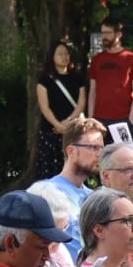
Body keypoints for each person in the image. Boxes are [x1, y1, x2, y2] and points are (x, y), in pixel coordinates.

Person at [33, 120, 105, 255]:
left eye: (102, 148)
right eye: (94, 148)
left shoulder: (95, 197)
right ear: (71, 151)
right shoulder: (47, 192)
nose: (100, 154)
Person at [33, 40, 88, 179]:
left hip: (73, 128)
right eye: (60, 54)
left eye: (66, 53)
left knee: (74, 167)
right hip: (50, 130)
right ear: (52, 57)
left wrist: (68, 122)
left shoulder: (77, 78)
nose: (64, 56)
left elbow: (81, 104)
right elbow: (44, 107)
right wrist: (57, 125)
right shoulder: (44, 80)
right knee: (50, 168)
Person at [84, 19, 133, 136]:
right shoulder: (96, 60)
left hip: (123, 120)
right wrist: (91, 119)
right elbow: (92, 93)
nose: (104, 36)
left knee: (123, 154)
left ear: (119, 34)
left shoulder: (132, 59)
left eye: (108, 33)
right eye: (102, 33)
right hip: (98, 121)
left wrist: (130, 121)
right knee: (98, 154)